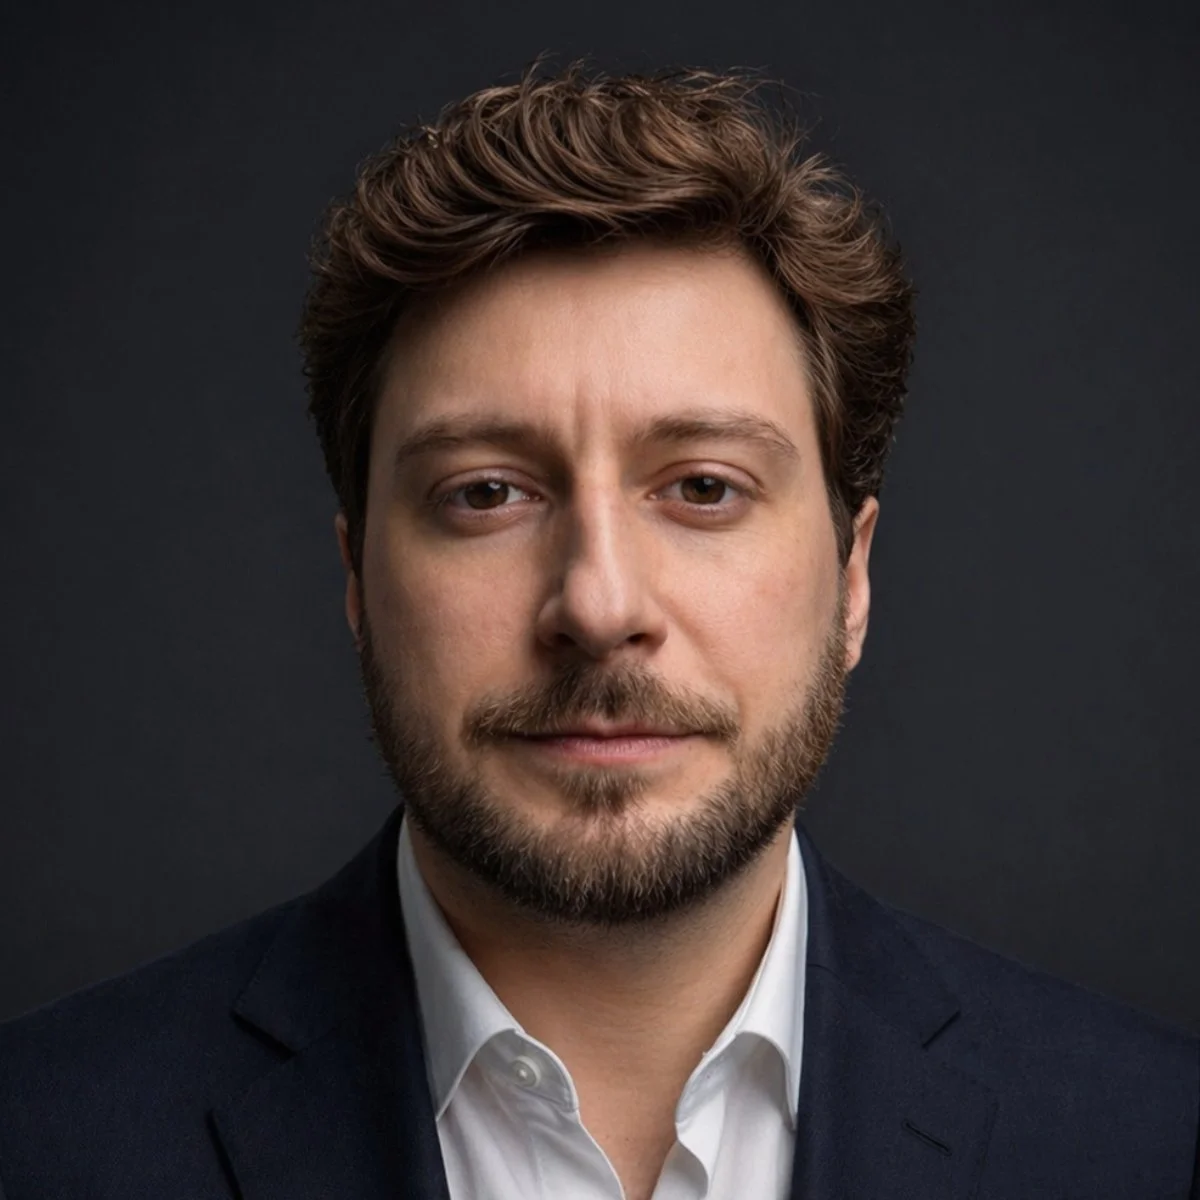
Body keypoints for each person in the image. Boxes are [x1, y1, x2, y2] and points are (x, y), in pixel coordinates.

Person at [0, 64, 1196, 1200]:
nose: (599, 605)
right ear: (358, 578)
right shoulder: (42, 1143)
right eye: (486, 493)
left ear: (853, 579)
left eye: (705, 487)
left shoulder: (1150, 1143)